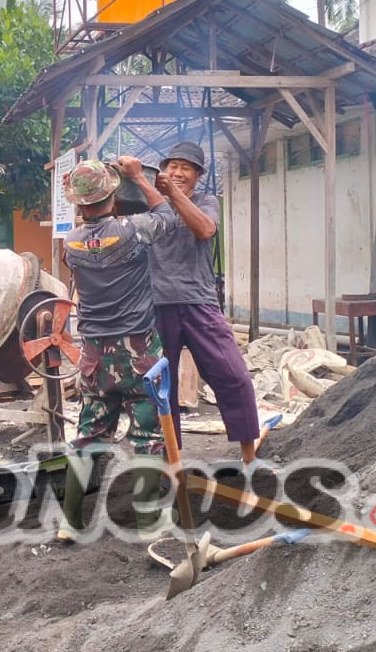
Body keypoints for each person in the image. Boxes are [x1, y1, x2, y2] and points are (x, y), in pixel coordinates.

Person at [56, 157, 181, 541]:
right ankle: (148, 522)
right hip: (138, 349)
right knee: (147, 434)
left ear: (78, 204)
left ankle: (70, 521)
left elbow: (90, 233)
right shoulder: (133, 230)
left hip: (94, 354)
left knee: (88, 436)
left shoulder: (70, 243)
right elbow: (169, 217)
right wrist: (138, 177)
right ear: (113, 196)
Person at [151, 140, 265, 472]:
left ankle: (249, 458)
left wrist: (173, 194)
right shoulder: (150, 204)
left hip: (199, 302)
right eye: (172, 166)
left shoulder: (205, 201)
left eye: (186, 168)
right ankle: (170, 464)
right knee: (160, 388)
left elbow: (204, 229)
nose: (177, 172)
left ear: (198, 175)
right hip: (156, 305)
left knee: (234, 376)